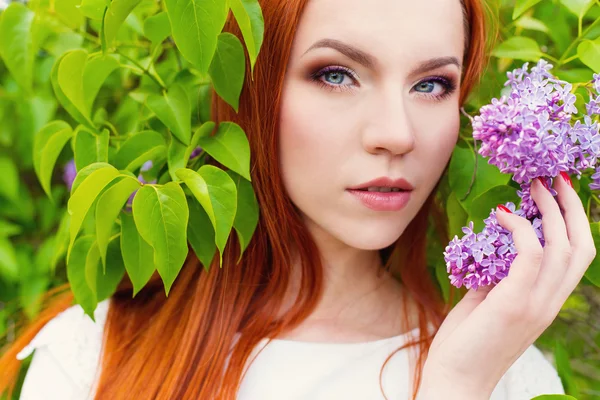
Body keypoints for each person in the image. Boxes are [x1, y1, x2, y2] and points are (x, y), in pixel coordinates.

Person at [0, 0, 594, 398]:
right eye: (336, 74)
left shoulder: (504, 372)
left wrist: (456, 385)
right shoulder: (95, 356)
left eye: (431, 84)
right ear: (252, 89)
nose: (397, 133)